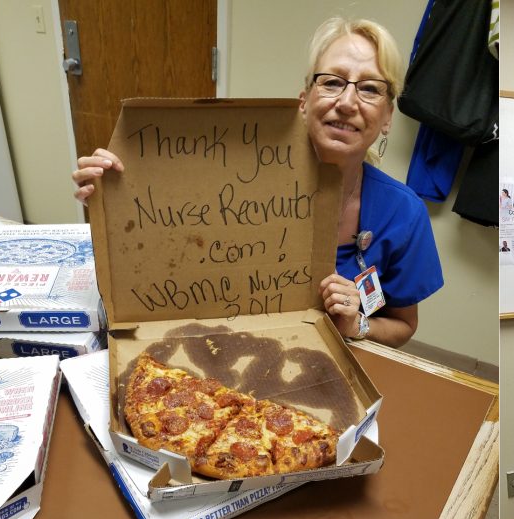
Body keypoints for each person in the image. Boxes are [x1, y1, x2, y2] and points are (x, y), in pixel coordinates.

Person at [71, 17, 443, 348]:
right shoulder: (231, 179)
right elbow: (163, 246)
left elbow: (402, 326)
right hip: (205, 348)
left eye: (370, 89)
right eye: (332, 82)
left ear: (388, 116)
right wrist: (115, 198)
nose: (347, 102)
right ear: (303, 100)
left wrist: (357, 324)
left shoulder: (403, 214)